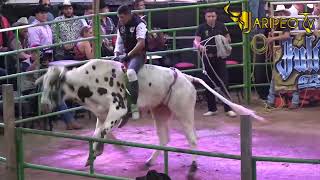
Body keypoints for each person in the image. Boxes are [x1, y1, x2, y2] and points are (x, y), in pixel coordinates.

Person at [193, 8, 236, 117]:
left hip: (220, 58)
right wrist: (199, 46)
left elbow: (228, 39)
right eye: (209, 16)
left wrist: (223, 40)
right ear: (205, 17)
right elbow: (196, 41)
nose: (211, 18)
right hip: (207, 58)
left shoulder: (221, 26)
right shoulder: (201, 28)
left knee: (224, 83)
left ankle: (228, 109)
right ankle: (212, 109)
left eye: (213, 16)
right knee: (208, 83)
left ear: (216, 17)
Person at [114, 5, 147, 120]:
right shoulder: (120, 24)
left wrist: (127, 55)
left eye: (122, 17)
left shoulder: (140, 24)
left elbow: (141, 44)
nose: (120, 20)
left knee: (131, 72)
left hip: (138, 55)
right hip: (125, 54)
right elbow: (119, 41)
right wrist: (116, 54)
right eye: (119, 17)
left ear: (129, 15)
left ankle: (134, 106)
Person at [266, 5, 299, 109]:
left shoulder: (288, 22)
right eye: (278, 14)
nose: (280, 16)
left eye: (281, 14)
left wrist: (272, 39)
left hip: (291, 51)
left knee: (292, 76)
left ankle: (273, 100)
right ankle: (272, 100)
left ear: (285, 14)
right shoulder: (279, 24)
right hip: (284, 52)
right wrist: (272, 38)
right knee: (279, 76)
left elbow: (286, 36)